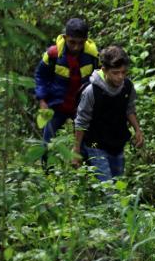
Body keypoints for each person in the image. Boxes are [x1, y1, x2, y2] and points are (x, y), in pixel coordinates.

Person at [72, 45, 143, 182]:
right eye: (115, 73)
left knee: (117, 185)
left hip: (117, 143)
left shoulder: (127, 86)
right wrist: (76, 151)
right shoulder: (91, 91)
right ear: (104, 70)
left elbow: (129, 109)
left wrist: (137, 130)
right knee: (108, 190)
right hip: (95, 144)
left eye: (123, 72)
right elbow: (81, 121)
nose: (120, 77)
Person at [34, 18, 99, 153]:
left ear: (86, 40)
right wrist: (42, 100)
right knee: (47, 144)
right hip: (57, 105)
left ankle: (84, 172)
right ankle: (48, 172)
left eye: (80, 43)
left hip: (81, 107)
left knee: (86, 146)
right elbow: (41, 76)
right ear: (65, 37)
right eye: (72, 42)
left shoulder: (92, 56)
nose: (76, 47)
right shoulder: (53, 54)